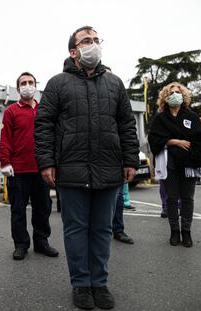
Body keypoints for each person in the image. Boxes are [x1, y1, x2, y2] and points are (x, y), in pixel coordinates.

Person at [35, 26, 139, 310]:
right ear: (73, 51)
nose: (92, 45)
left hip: (109, 168)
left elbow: (126, 124)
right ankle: (81, 284)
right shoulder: (57, 83)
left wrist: (131, 160)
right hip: (71, 169)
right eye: (85, 41)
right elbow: (44, 125)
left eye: (95, 40)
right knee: (76, 229)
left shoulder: (115, 83)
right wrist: (47, 162)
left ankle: (100, 283)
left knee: (103, 229)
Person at [0, 71, 59, 261]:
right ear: (18, 89)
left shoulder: (44, 110)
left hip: (42, 169)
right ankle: (21, 245)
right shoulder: (11, 111)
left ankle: (41, 242)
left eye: (30, 82)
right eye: (23, 83)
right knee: (18, 210)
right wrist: (5, 162)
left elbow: (53, 137)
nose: (27, 85)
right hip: (18, 170)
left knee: (43, 209)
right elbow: (5, 139)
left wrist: (54, 163)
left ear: (36, 85)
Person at [148, 82, 201, 248]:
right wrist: (174, 141)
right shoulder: (160, 118)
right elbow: (154, 139)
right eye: (171, 93)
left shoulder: (191, 116)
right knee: (171, 198)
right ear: (165, 97)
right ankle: (174, 231)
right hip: (169, 164)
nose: (175, 95)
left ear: (183, 95)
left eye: (178, 92)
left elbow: (199, 140)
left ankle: (186, 231)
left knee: (187, 198)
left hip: (189, 163)